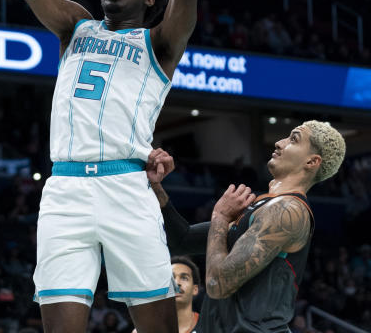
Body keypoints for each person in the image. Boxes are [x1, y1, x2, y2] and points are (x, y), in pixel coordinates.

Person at [8, 0, 201, 333]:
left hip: (126, 186)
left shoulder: (159, 43)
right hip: (65, 190)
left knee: (158, 328)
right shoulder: (75, 27)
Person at [148, 121, 346, 333]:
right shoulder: (260, 206)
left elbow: (218, 284)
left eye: (293, 139)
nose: (279, 143)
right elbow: (181, 241)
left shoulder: (289, 210)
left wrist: (220, 217)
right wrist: (156, 186)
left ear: (311, 161)